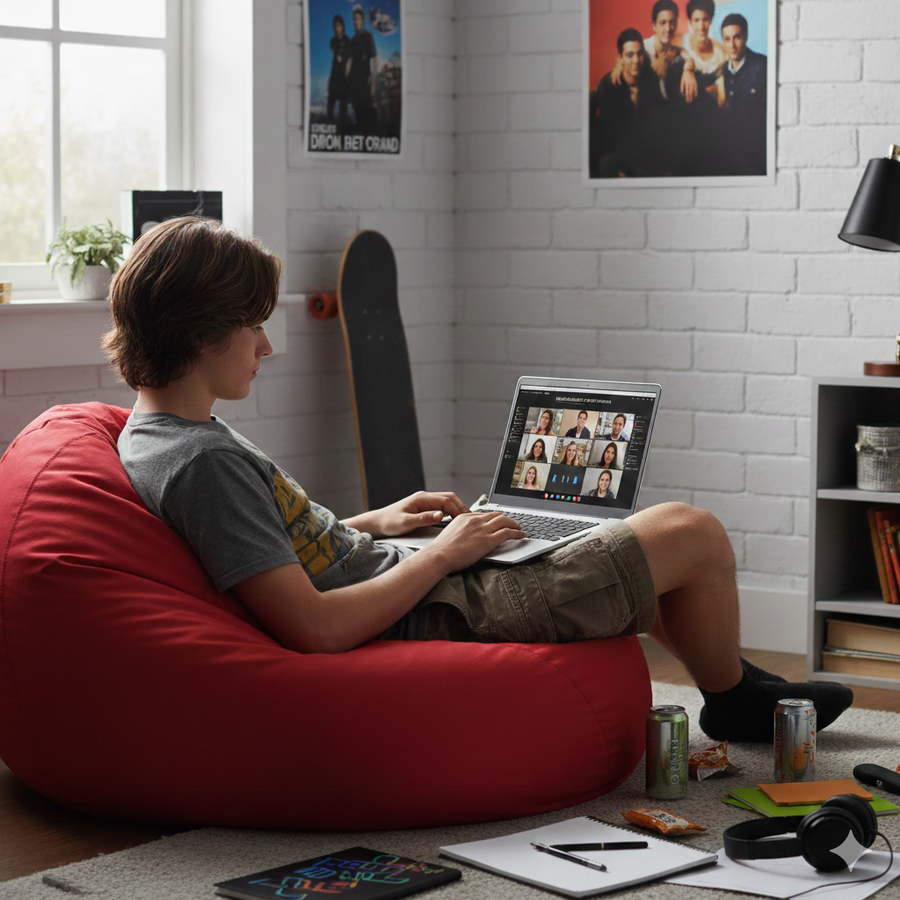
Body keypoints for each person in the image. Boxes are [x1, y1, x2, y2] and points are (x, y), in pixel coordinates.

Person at [106, 216, 853, 743]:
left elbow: (274, 550)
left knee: (624, 543)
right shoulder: (201, 462)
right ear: (202, 332)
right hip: (440, 605)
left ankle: (736, 684)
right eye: (253, 326)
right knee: (692, 532)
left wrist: (380, 521)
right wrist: (447, 553)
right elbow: (315, 626)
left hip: (413, 572)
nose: (267, 346)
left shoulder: (163, 434)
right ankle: (733, 700)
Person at [589, 28, 667, 178]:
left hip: (643, 159)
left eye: (639, 54)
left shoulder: (651, 82)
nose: (636, 60)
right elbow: (591, 122)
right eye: (629, 55)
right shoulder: (609, 84)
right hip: (612, 158)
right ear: (620, 58)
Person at [720, 13, 767, 175]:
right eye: (727, 39)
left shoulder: (763, 66)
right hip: (729, 158)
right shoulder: (722, 71)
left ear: (745, 37)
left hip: (757, 158)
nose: (732, 45)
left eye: (737, 37)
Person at [347, 5, 378, 135]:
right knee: (359, 121)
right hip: (354, 89)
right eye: (354, 19)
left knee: (369, 121)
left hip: (366, 86)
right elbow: (349, 64)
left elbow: (374, 59)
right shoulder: (352, 41)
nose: (356, 21)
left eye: (358, 18)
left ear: (363, 20)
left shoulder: (368, 36)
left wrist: (374, 85)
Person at [327, 14, 351, 132]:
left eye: (339, 25)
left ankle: (344, 135)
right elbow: (332, 48)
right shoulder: (333, 40)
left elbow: (351, 58)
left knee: (343, 111)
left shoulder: (347, 40)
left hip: (344, 81)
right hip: (334, 78)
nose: (337, 28)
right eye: (335, 26)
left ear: (343, 26)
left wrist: (348, 70)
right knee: (330, 107)